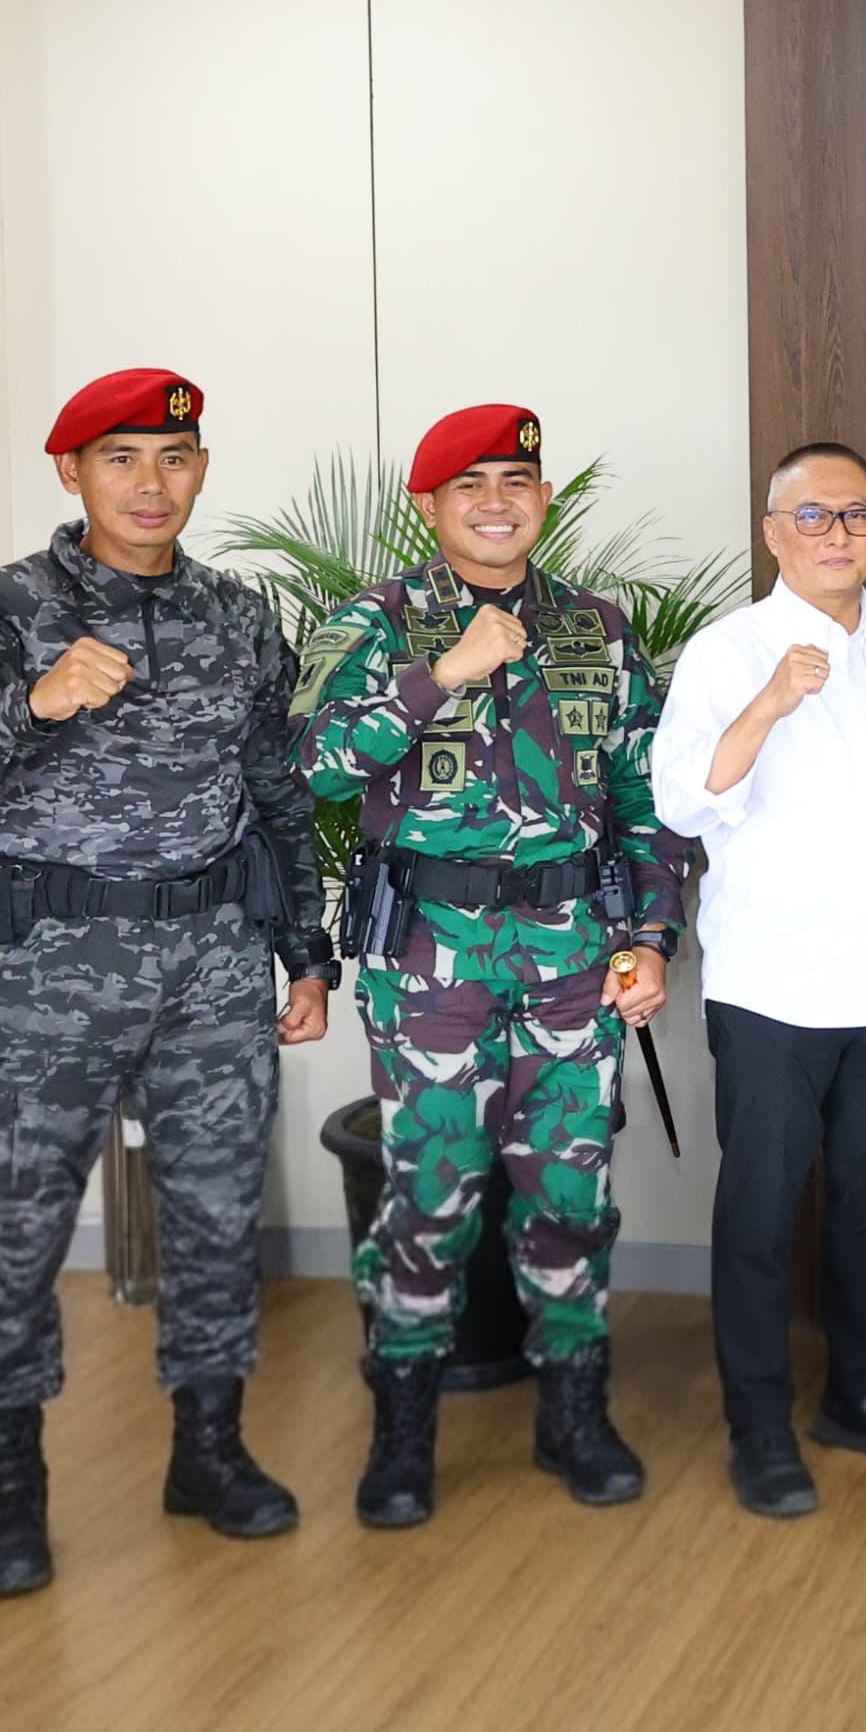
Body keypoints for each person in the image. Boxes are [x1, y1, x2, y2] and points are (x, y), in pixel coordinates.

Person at [0, 367, 335, 1600]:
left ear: (200, 471)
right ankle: (8, 1490)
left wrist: (306, 951)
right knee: (17, 1226)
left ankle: (209, 1450)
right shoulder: (4, 606)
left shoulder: (238, 617)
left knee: (216, 1216)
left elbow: (278, 791)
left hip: (210, 963)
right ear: (70, 472)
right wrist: (32, 701)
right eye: (121, 458)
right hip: (51, 971)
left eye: (174, 459)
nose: (151, 484)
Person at [298, 403, 688, 1525]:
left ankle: (574, 1411)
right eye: (468, 484)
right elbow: (312, 764)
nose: (495, 500)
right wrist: (444, 674)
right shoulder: (375, 621)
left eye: (516, 479)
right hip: (435, 962)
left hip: (573, 956)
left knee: (570, 1193)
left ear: (543, 498)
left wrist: (648, 936)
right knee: (428, 1195)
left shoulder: (597, 630)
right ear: (428, 507)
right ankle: (403, 1426)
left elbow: (645, 799)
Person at [652, 440, 866, 1518]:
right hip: (774, 991)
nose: (837, 535)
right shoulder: (727, 649)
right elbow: (679, 804)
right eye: (812, 517)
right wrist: (765, 707)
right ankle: (758, 1428)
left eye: (856, 517)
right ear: (771, 532)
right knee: (757, 1215)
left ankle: (860, 1392)